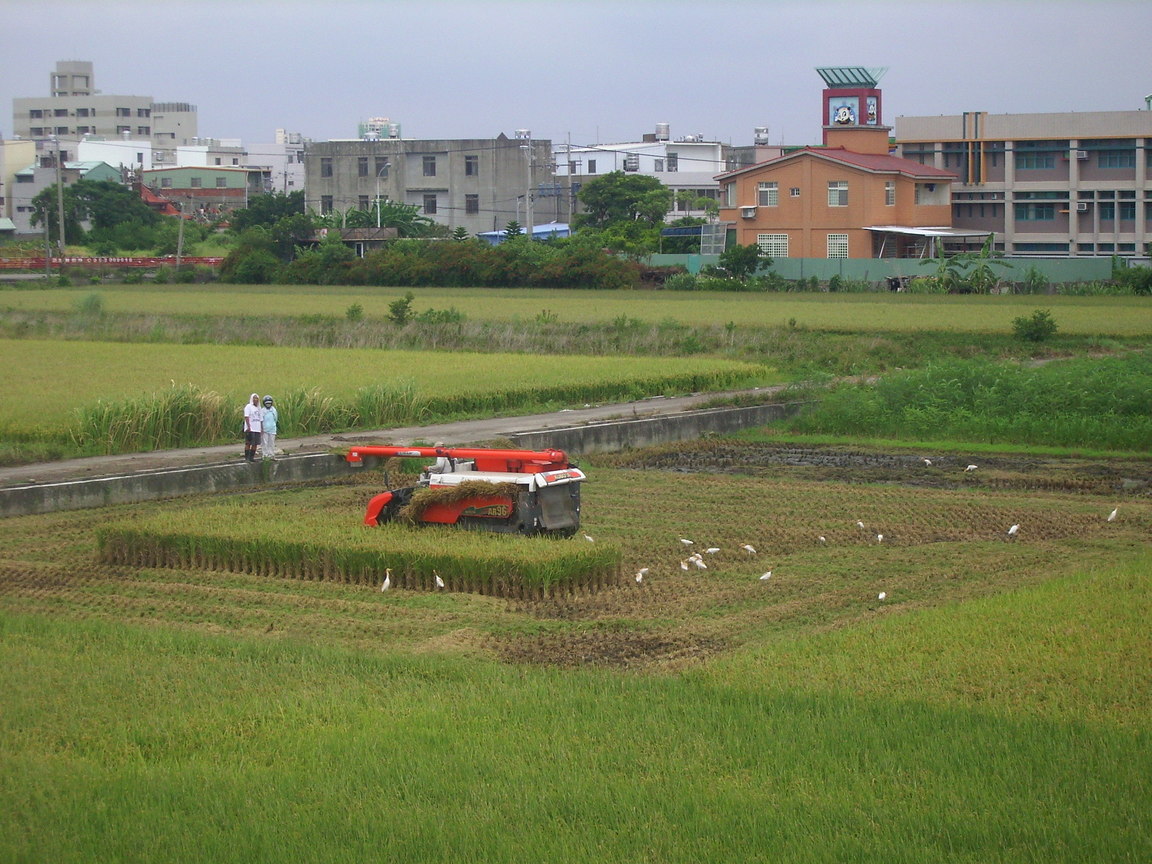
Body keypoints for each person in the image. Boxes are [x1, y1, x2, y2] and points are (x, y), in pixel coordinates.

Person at [242, 393, 263, 462]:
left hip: (257, 429)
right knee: (248, 443)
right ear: (251, 399)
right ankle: (247, 458)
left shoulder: (259, 408)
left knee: (255, 444)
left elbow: (261, 419)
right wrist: (248, 427)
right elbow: (246, 416)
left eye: (257, 399)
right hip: (250, 428)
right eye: (254, 398)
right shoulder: (248, 407)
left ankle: (252, 457)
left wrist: (261, 428)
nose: (255, 400)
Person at [260, 395, 279, 461]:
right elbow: (261, 420)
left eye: (269, 403)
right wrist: (261, 429)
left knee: (271, 443)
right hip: (265, 429)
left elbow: (276, 419)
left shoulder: (273, 410)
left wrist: (273, 425)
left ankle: (271, 455)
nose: (268, 405)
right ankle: (265, 455)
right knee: (265, 443)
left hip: (272, 429)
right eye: (267, 403)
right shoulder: (262, 410)